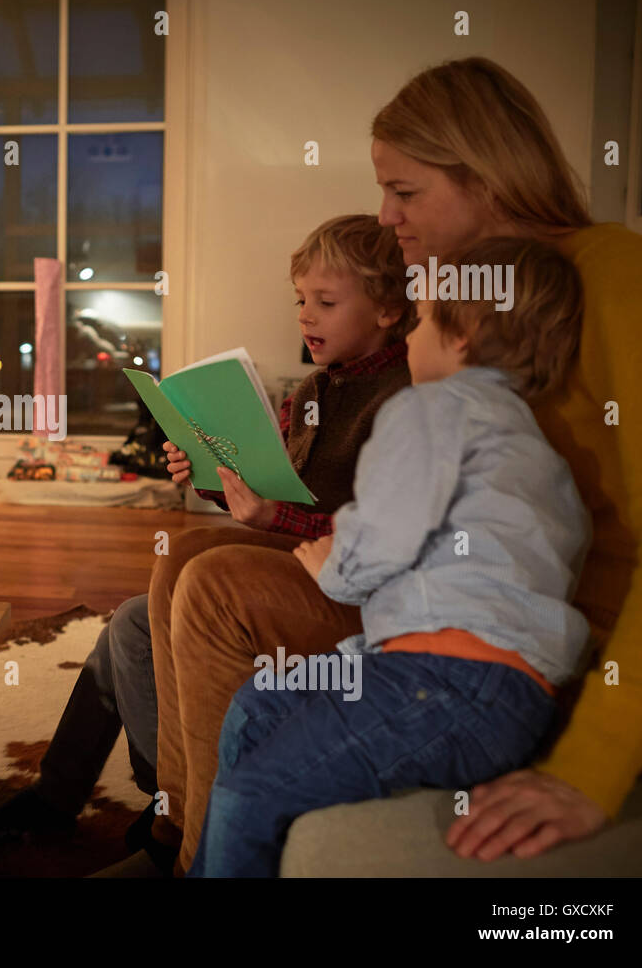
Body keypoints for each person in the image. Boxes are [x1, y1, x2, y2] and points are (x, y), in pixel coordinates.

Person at [145, 57, 642, 875]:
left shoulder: (617, 283)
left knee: (216, 590)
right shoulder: (465, 322)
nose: (385, 216)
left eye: (406, 191)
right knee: (185, 559)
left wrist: (592, 764)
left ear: (486, 175)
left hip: (509, 648)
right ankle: (183, 833)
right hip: (477, 603)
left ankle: (207, 848)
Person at [0, 214, 411, 864]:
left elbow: (374, 536)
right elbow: (275, 494)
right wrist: (210, 478)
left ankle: (171, 813)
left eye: (326, 301)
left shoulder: (403, 396)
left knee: (157, 605)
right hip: (289, 558)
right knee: (128, 622)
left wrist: (271, 519)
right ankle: (67, 798)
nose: (306, 316)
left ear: (386, 310)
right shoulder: (313, 390)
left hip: (346, 583)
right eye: (300, 300)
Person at [188, 237, 587, 876]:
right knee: (258, 704)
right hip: (508, 696)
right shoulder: (538, 449)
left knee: (251, 792)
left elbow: (384, 534)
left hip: (446, 684)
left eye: (423, 318)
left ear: (465, 335)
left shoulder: (434, 407)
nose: (411, 335)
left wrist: (333, 569)